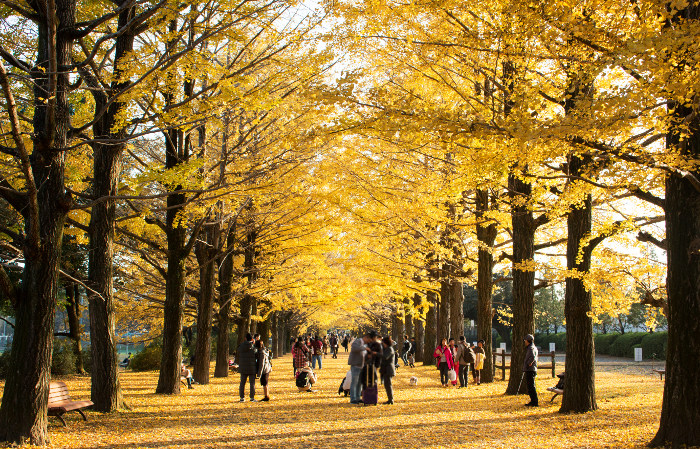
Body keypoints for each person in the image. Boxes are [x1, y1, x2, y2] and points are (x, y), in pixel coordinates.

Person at [348, 331, 373, 404]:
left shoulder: (364, 345)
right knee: (354, 382)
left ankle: (358, 397)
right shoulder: (358, 342)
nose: (368, 342)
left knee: (359, 383)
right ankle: (353, 398)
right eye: (368, 340)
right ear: (365, 338)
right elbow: (354, 348)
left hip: (361, 365)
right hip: (356, 365)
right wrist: (365, 348)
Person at [237, 333, 257, 402]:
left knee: (242, 383)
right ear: (252, 339)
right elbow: (256, 353)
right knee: (252, 383)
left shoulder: (241, 346)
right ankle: (252, 397)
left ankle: (242, 398)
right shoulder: (253, 347)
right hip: (252, 367)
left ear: (245, 338)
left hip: (243, 367)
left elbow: (238, 351)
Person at [523, 334, 539, 406]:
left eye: (525, 340)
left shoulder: (531, 348)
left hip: (530, 369)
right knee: (531, 386)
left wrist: (529, 363)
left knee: (531, 386)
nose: (524, 342)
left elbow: (532, 356)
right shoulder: (533, 347)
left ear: (527, 341)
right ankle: (533, 401)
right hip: (532, 369)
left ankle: (534, 402)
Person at [380, 336, 396, 404]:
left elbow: (384, 357)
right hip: (386, 369)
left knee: (388, 385)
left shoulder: (389, 349)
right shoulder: (387, 349)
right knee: (387, 385)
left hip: (388, 369)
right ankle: (390, 399)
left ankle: (391, 399)